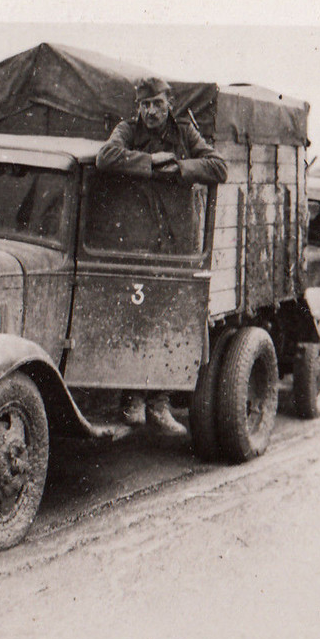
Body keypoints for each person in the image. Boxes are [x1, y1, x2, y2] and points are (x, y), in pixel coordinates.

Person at [96, 76, 228, 434]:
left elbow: (219, 167)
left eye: (156, 103)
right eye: (145, 105)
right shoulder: (127, 129)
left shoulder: (185, 133)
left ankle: (160, 402)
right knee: (137, 316)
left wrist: (182, 168)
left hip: (176, 244)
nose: (151, 111)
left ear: (169, 103)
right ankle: (133, 399)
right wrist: (150, 161)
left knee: (171, 319)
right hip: (139, 244)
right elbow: (105, 157)